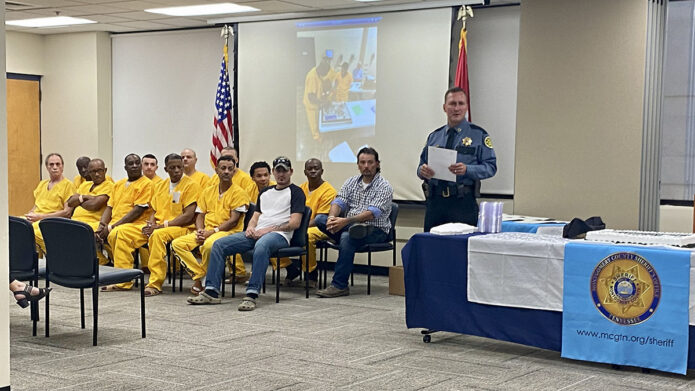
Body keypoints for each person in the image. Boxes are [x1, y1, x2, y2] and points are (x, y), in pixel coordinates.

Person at [187, 156, 306, 311]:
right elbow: (256, 215)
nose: (281, 174)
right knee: (219, 245)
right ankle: (211, 291)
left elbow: (294, 223)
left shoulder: (296, 192)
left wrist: (267, 230)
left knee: (262, 246)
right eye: (278, 171)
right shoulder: (266, 192)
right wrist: (250, 227)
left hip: (279, 235)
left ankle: (252, 294)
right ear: (273, 173)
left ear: (291, 172)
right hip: (257, 232)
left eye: (285, 171)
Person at [315, 147, 392, 298]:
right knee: (320, 220)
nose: (366, 166)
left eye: (370, 162)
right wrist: (332, 218)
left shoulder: (384, 186)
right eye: (362, 162)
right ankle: (346, 230)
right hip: (349, 225)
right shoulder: (351, 182)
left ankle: (339, 285)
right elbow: (339, 202)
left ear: (377, 164)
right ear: (358, 164)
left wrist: (344, 221)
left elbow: (371, 214)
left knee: (347, 237)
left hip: (375, 230)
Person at [417, 87, 497, 232]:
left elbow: (491, 167)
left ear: (467, 107)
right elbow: (421, 166)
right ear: (444, 107)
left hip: (462, 202)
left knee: (461, 248)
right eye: (452, 104)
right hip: (436, 203)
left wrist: (467, 170)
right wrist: (423, 171)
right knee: (432, 248)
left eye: (461, 104)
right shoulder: (434, 136)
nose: (456, 108)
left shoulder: (479, 135)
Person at [172, 155, 250, 295]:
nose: (226, 171)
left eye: (230, 169)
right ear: (216, 170)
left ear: (234, 171)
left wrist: (211, 232)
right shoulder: (208, 191)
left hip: (228, 232)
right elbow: (200, 214)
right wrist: (201, 230)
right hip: (207, 231)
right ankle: (200, 275)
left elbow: (233, 221)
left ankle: (204, 282)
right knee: (177, 244)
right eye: (223, 168)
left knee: (209, 245)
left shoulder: (239, 193)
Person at [134, 153, 201, 296]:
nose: (177, 170)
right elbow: (154, 210)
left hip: (182, 228)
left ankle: (155, 283)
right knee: (122, 233)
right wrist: (150, 224)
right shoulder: (161, 186)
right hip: (159, 226)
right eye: (172, 167)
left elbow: (188, 215)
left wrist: (160, 226)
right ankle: (122, 279)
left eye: (179, 167)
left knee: (157, 235)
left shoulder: (191, 185)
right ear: (165, 169)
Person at [97, 154, 154, 291]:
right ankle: (112, 276)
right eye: (130, 164)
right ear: (125, 167)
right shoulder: (118, 184)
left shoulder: (147, 184)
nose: (134, 166)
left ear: (140, 165)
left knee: (119, 234)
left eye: (137, 163)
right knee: (92, 232)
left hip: (138, 225)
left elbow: (138, 211)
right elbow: (109, 207)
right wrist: (101, 226)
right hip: (117, 225)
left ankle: (124, 281)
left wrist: (111, 227)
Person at [283, 158, 336, 288]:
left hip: (321, 227)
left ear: (322, 171)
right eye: (310, 168)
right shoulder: (301, 188)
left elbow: (320, 219)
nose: (313, 171)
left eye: (316, 168)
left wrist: (296, 228)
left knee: (306, 236)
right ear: (305, 172)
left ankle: (311, 272)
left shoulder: (329, 191)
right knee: (272, 234)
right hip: (299, 226)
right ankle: (290, 269)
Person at [25, 153, 76, 253]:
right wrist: (29, 216)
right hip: (36, 219)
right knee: (15, 225)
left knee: (30, 231)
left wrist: (40, 217)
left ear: (62, 167)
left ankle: (54, 256)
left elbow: (67, 213)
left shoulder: (68, 185)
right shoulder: (42, 184)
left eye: (58, 164)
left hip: (52, 221)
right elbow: (35, 206)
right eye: (51, 165)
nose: (55, 167)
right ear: (47, 167)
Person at [67, 158, 114, 265]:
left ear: (105, 171)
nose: (97, 174)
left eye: (100, 170)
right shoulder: (85, 185)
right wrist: (85, 197)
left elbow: (94, 205)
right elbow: (70, 202)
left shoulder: (110, 186)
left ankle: (103, 262)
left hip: (95, 223)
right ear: (89, 172)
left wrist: (79, 200)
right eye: (93, 171)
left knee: (80, 233)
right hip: (76, 222)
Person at [303, 60, 331, 140]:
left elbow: (320, 85)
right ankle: (317, 138)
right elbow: (311, 97)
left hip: (316, 102)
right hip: (311, 106)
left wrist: (325, 95)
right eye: (325, 73)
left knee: (317, 120)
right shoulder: (312, 77)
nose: (325, 75)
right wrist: (323, 102)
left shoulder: (318, 72)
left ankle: (319, 132)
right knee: (313, 123)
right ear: (321, 69)